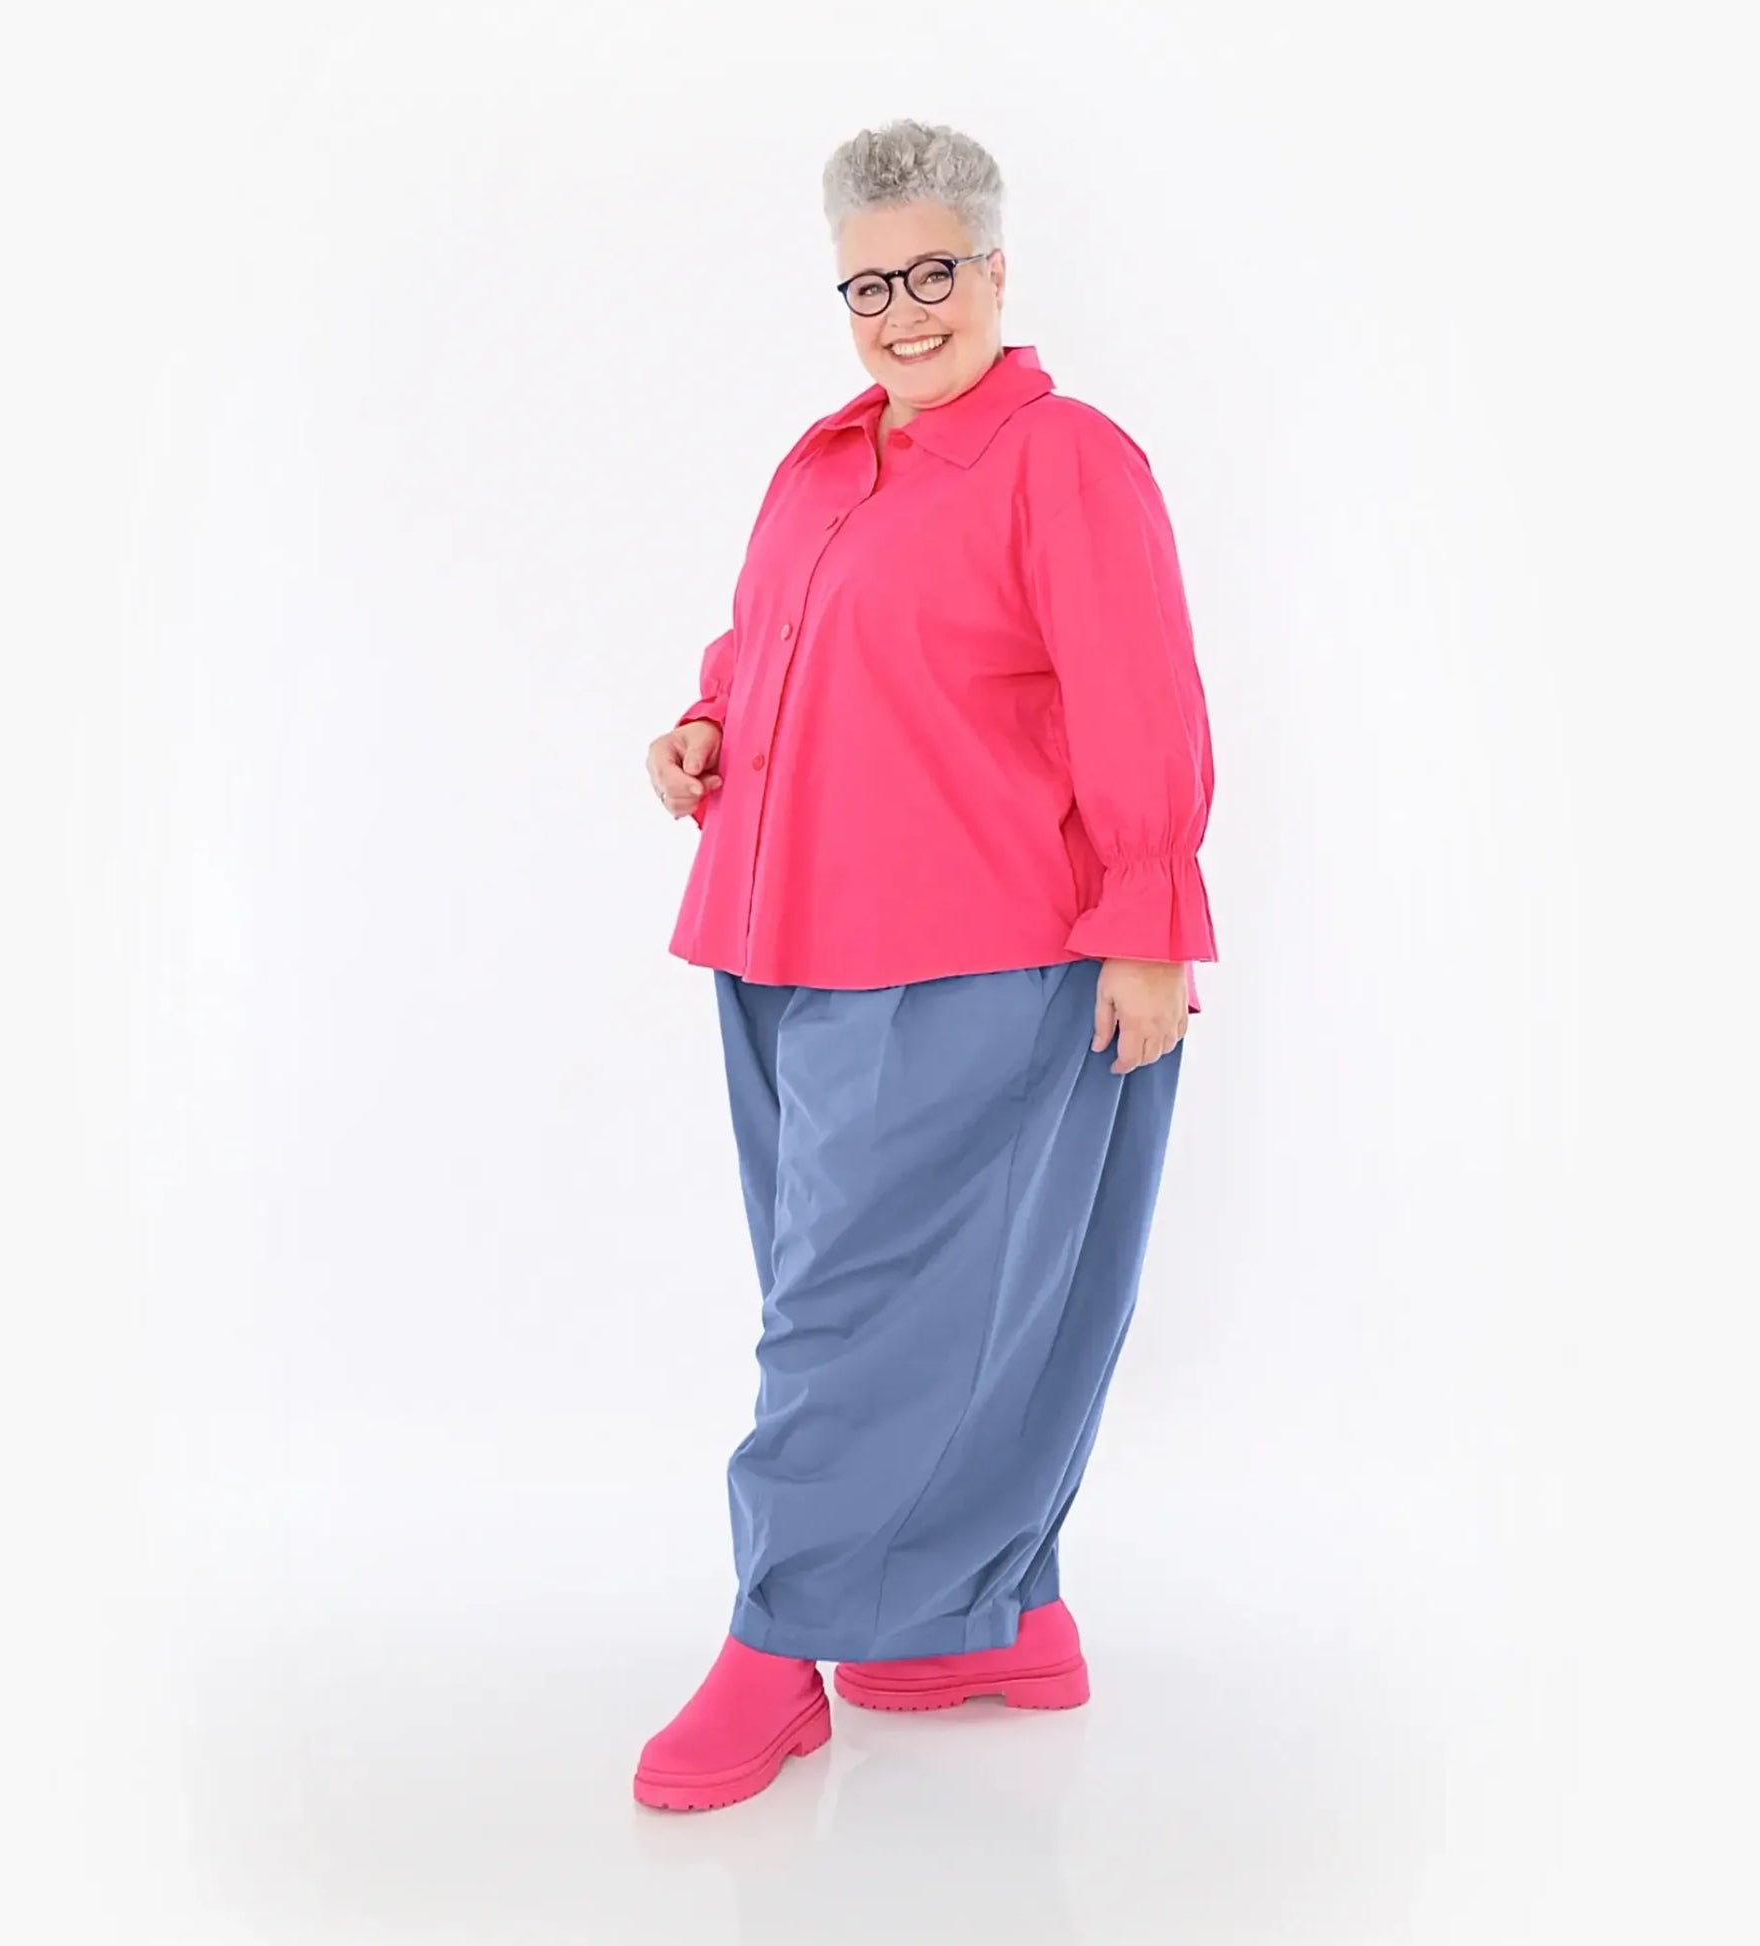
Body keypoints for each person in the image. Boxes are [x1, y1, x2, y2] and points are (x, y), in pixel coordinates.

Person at [633, 118, 1218, 1813]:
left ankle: (778, 1644)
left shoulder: (1062, 459)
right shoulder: (824, 460)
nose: (901, 312)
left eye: (932, 273)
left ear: (996, 269)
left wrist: (1148, 927)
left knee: (855, 1321)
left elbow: (1139, 693)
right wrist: (702, 725)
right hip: (778, 934)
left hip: (977, 952)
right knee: (881, 1300)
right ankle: (987, 1619)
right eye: (867, 285)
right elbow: (774, 641)